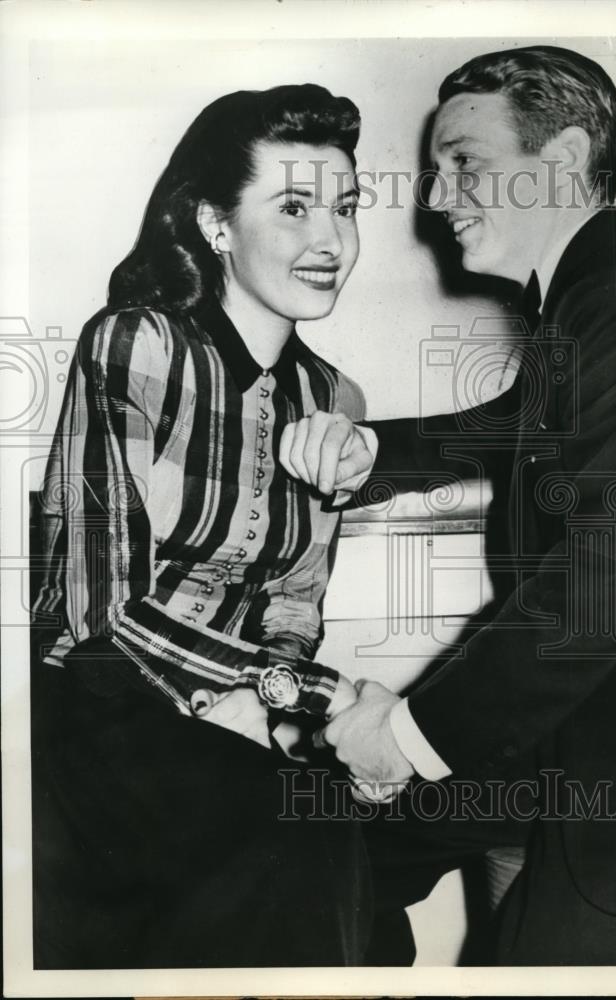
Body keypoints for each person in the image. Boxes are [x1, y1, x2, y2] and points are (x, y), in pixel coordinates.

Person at [280, 46, 616, 965]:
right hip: (587, 736)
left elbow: (590, 605)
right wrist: (372, 447)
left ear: (565, 160)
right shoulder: (601, 299)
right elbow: (516, 423)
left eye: (466, 163)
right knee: (332, 852)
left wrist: (404, 738)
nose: (438, 195)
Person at [31, 84, 372, 969]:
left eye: (345, 207)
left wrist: (277, 705)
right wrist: (285, 694)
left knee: (360, 866)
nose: (331, 240)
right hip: (104, 713)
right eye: (294, 207)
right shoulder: (134, 346)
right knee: (283, 850)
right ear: (216, 224)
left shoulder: (335, 399)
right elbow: (96, 610)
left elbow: (296, 604)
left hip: (247, 721)